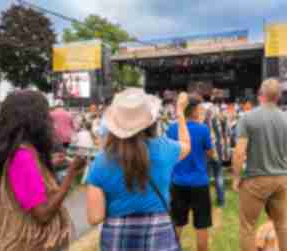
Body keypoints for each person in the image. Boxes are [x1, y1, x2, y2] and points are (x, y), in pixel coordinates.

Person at [85, 88, 190, 250]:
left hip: (117, 237)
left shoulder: (100, 161)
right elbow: (187, 146)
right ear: (151, 120)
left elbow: (95, 217)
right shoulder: (165, 148)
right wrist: (181, 113)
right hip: (159, 233)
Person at [0, 91, 86, 251]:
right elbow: (43, 214)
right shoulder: (22, 156)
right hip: (34, 244)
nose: (50, 120)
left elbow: (25, 181)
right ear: (33, 119)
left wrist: (45, 166)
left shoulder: (23, 150)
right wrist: (71, 174)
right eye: (45, 115)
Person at [232, 78, 287, 251]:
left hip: (255, 179)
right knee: (283, 227)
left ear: (261, 94)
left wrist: (236, 177)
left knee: (247, 228)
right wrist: (283, 169)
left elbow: (239, 152)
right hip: (280, 179)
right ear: (279, 97)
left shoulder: (248, 118)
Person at [167, 94, 214, 251]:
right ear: (193, 110)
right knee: (202, 226)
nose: (202, 110)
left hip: (178, 182)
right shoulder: (203, 129)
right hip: (199, 182)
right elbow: (210, 153)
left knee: (177, 223)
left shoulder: (171, 128)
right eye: (200, 108)